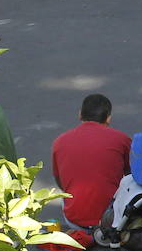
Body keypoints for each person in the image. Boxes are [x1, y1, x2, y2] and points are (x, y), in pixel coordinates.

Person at [51, 94, 131, 230]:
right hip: (113, 220)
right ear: (108, 118)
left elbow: (61, 183)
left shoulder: (59, 141)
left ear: (80, 115)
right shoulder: (122, 139)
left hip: (74, 220)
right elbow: (133, 175)